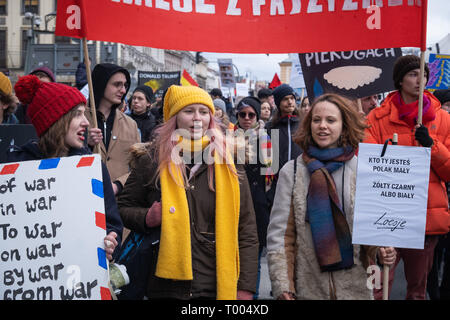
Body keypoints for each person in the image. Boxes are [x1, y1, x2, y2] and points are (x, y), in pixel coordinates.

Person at [117, 85, 259, 300]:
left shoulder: (229, 162)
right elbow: (122, 208)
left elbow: (246, 228)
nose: (197, 118)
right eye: (189, 111)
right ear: (175, 117)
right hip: (163, 285)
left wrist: (246, 287)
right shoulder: (151, 160)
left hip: (214, 284)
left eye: (203, 112)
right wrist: (147, 217)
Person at [266, 93, 396, 300]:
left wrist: (381, 249)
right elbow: (281, 237)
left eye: (331, 120)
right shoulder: (291, 172)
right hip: (307, 289)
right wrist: (283, 285)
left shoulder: (363, 170)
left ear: (344, 125)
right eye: (316, 120)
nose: (322, 126)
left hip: (355, 289)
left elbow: (372, 228)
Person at [7, 74, 123, 261]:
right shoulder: (16, 168)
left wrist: (111, 242)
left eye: (84, 113)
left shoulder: (92, 169)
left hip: (80, 279)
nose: (86, 122)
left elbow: (112, 225)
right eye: (77, 114)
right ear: (56, 120)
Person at [364, 55, 450, 300]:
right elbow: (366, 164)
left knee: (417, 292)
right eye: (413, 74)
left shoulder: (443, 120)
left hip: (423, 221)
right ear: (400, 80)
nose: (419, 79)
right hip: (383, 218)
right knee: (377, 289)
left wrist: (431, 146)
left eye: (423, 74)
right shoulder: (376, 119)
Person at [235, 96, 272, 299]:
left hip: (257, 207)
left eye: (251, 114)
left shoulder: (267, 139)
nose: (247, 118)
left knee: (253, 259)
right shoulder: (227, 139)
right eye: (243, 114)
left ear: (257, 117)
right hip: (234, 204)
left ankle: (253, 298)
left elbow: (270, 178)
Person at [87, 63, 140, 196]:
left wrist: (118, 185)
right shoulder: (78, 119)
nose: (123, 90)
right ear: (101, 83)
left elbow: (139, 167)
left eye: (125, 85)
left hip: (119, 204)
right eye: (117, 84)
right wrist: (87, 145)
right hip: (85, 198)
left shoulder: (131, 125)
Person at [265, 84, 302, 209]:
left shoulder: (304, 125)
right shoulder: (270, 127)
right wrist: (269, 188)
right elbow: (267, 160)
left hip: (301, 182)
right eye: (285, 99)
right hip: (278, 186)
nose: (290, 102)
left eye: (292, 98)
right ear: (278, 102)